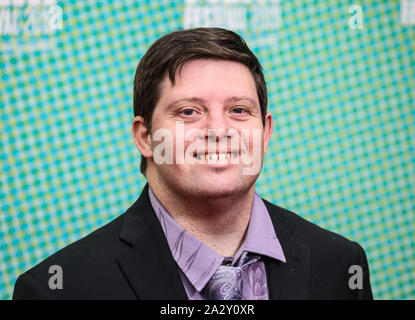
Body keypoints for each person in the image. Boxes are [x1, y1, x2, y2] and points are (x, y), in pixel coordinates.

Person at [13, 28, 373, 300]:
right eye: (188, 111)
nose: (218, 130)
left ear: (264, 133)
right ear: (145, 137)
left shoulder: (341, 265)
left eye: (238, 110)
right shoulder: (58, 290)